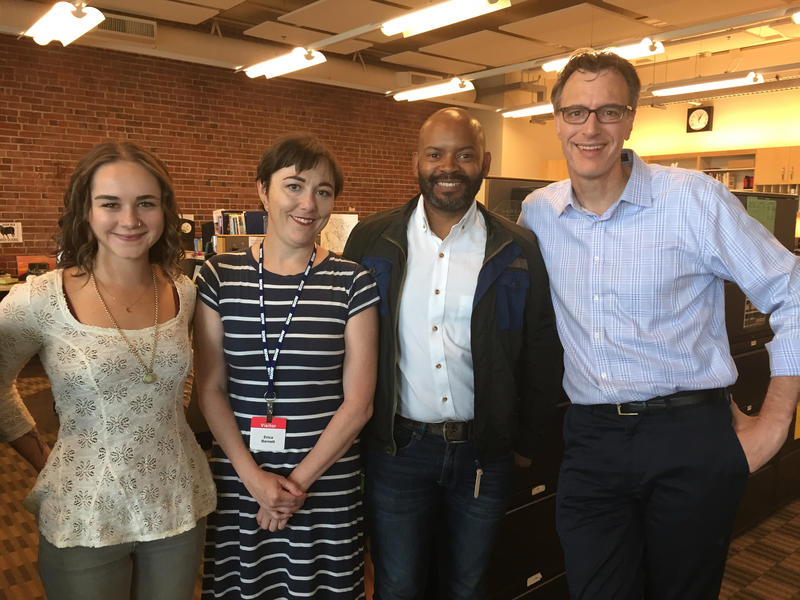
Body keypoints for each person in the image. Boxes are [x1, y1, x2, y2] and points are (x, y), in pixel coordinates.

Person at [518, 51, 800, 600]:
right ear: (556, 120)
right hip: (591, 439)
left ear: (630, 117)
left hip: (688, 436)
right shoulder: (538, 214)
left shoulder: (693, 200)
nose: (591, 127)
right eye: (575, 112)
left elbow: (792, 291)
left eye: (608, 111)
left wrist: (775, 420)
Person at [342, 107, 563, 599]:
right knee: (398, 585)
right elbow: (345, 343)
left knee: (466, 586)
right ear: (415, 162)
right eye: (435, 154)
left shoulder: (518, 247)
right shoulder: (372, 240)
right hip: (397, 451)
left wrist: (525, 441)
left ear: (483, 162)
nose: (449, 166)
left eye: (463, 155)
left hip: (484, 453)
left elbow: (542, 351)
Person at [0, 141, 216, 600]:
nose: (131, 219)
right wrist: (41, 457)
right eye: (111, 204)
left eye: (146, 203)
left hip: (174, 504)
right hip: (85, 511)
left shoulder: (185, 292)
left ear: (165, 210)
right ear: (86, 209)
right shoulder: (41, 300)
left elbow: (186, 379)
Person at [194, 134, 379, 599]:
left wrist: (293, 487)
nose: (309, 204)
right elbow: (211, 388)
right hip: (241, 479)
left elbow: (358, 404)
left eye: (323, 191)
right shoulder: (219, 276)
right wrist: (256, 481)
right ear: (263, 190)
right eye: (294, 186)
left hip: (324, 485)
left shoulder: (353, 282)